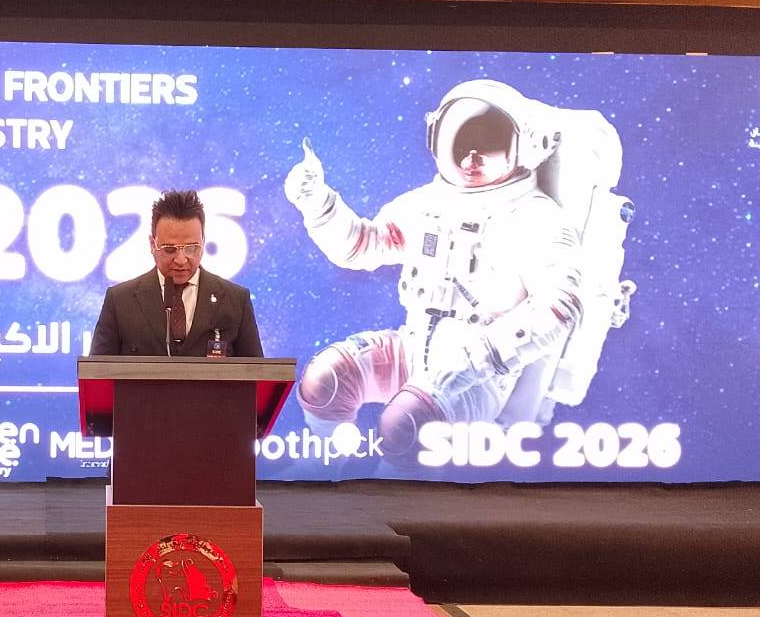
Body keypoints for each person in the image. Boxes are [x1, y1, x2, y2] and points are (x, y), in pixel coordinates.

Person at [282, 79, 624, 467]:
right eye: (459, 140)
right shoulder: (426, 204)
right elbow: (363, 245)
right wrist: (319, 205)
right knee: (326, 380)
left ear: (525, 146)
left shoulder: (536, 218)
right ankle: (324, 467)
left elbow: (560, 307)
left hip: (480, 375)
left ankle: (388, 489)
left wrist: (477, 358)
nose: (470, 157)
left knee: (406, 424)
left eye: (489, 140)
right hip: (413, 348)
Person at [90, 189, 264, 358]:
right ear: (152, 245)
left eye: (191, 248)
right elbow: (96, 372)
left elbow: (256, 372)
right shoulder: (120, 301)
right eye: (170, 249)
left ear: (203, 242)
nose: (181, 260)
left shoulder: (235, 301)